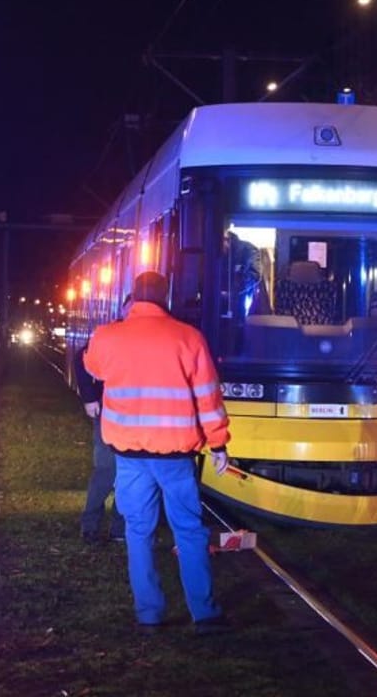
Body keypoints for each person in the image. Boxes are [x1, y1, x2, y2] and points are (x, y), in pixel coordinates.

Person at [84, 271, 232, 633]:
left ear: (133, 297)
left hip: (130, 455)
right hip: (176, 455)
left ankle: (149, 615)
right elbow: (208, 398)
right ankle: (205, 614)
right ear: (167, 296)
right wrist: (218, 443)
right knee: (189, 531)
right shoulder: (189, 338)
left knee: (138, 531)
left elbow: (92, 366)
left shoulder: (108, 336)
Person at [74, 318, 126, 545]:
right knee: (107, 469)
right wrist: (89, 396)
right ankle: (91, 527)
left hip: (134, 416)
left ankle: (119, 529)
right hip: (109, 412)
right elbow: (82, 357)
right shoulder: (113, 331)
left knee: (128, 474)